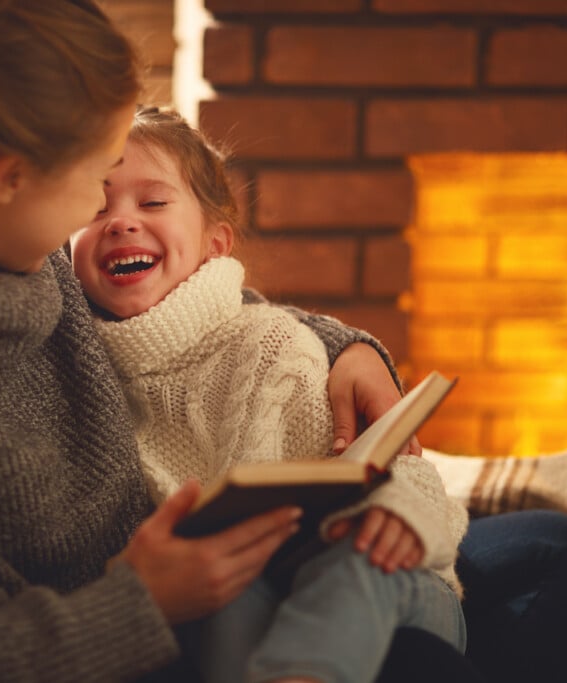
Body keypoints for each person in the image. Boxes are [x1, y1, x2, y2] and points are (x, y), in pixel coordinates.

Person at [0, 2, 416, 681]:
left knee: (540, 542)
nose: (102, 213)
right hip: (146, 645)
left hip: (196, 606)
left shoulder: (20, 256)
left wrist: (343, 348)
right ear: (11, 176)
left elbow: (191, 316)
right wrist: (136, 603)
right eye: (97, 179)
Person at [69, 107, 469, 683]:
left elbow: (390, 464)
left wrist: (402, 515)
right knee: (224, 591)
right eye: (95, 206)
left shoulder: (271, 343)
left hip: (388, 583)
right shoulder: (77, 362)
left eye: (152, 203)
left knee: (355, 561)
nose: (120, 222)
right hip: (246, 592)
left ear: (215, 244)